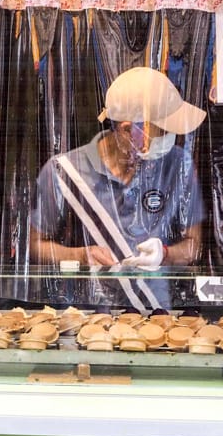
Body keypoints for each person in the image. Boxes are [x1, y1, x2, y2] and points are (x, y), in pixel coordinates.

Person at [29, 66, 207, 312]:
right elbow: (35, 246)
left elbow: (193, 246)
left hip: (158, 317)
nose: (170, 137)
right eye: (162, 131)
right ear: (127, 129)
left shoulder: (178, 165)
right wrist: (80, 256)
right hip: (90, 317)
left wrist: (164, 253)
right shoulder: (63, 172)